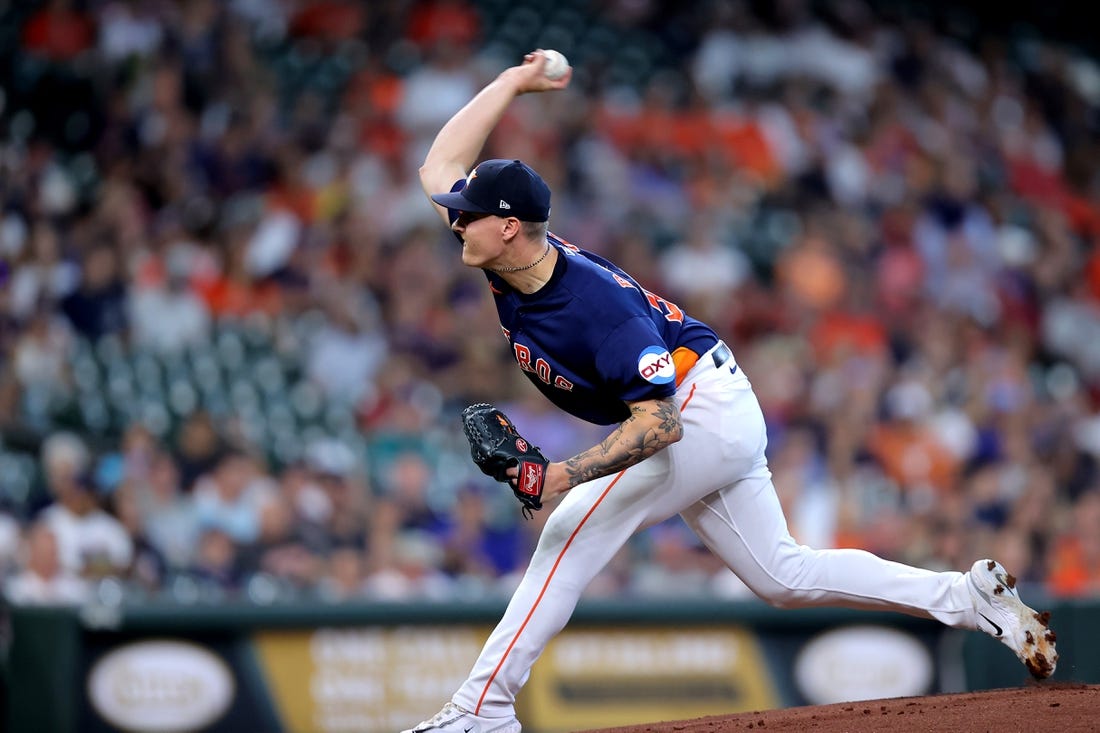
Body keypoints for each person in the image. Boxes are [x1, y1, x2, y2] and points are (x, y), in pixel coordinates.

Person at [403, 51, 1058, 733]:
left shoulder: (595, 309)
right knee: (782, 576)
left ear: (507, 226)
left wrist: (563, 474)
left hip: (696, 408)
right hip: (711, 396)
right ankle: (967, 596)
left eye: (465, 214)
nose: (452, 219)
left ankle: (481, 709)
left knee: (570, 527)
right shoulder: (511, 255)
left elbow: (660, 427)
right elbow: (436, 166)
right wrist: (512, 82)